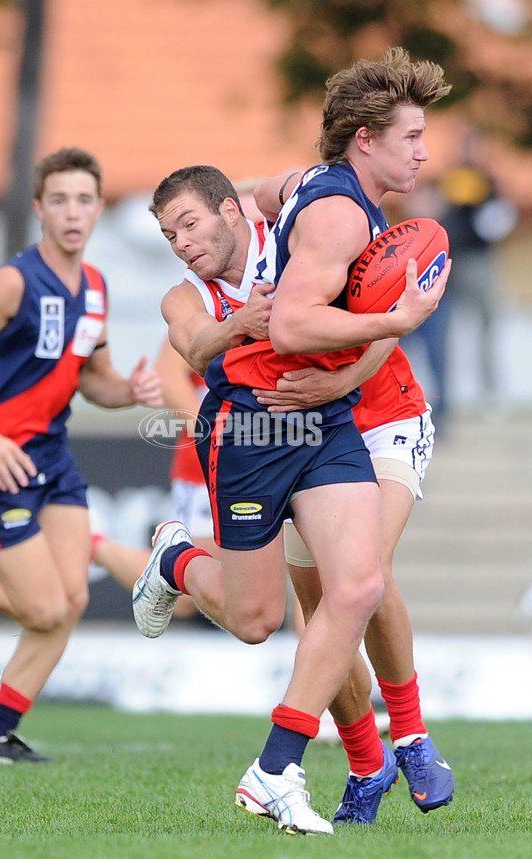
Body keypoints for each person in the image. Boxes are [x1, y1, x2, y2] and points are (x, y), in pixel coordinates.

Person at [132, 46, 450, 837]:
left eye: (192, 222)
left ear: (232, 213)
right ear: (366, 139)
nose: (183, 240)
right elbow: (211, 342)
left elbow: (264, 195)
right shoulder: (196, 287)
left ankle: (296, 762)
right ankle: (176, 556)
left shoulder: (292, 199)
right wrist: (397, 318)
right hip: (255, 426)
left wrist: (357, 357)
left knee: (359, 584)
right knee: (261, 618)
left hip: (349, 416)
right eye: (411, 135)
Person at [0, 147, 162, 764]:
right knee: (40, 608)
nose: (72, 212)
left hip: (52, 458)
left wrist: (129, 393)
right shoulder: (13, 281)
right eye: (58, 199)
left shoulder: (95, 288)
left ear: (98, 209)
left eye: (84, 200)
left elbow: (96, 379)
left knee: (72, 602)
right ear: (39, 209)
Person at [252, 167, 454, 822]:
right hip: (308, 433)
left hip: (387, 417)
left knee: (363, 571)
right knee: (317, 619)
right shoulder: (288, 201)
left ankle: (412, 734)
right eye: (412, 136)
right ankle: (369, 762)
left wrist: (339, 381)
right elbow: (234, 193)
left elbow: (390, 326)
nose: (421, 154)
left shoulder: (352, 213)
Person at [91, 336, 213, 620]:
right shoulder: (206, 297)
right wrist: (219, 440)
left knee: (318, 584)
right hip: (217, 469)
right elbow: (168, 375)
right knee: (189, 596)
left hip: (301, 455)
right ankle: (91, 544)